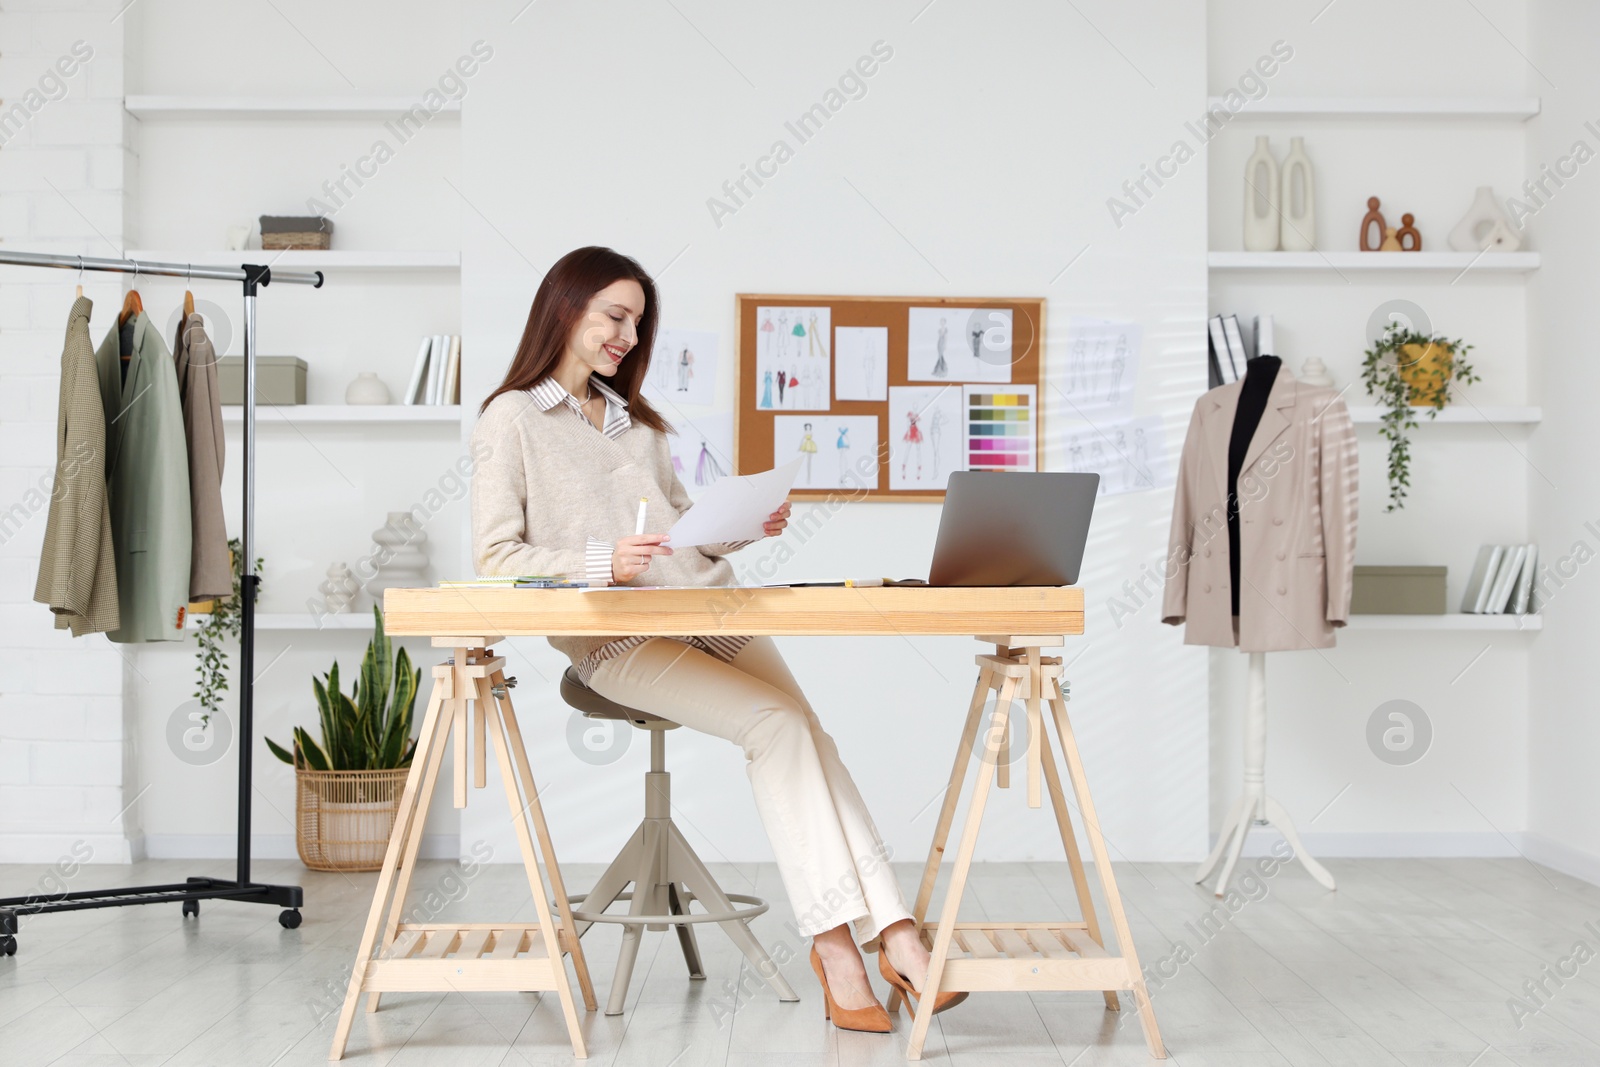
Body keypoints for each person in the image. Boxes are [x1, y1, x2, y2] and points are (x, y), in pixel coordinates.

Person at [470, 246, 964, 1033]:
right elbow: (495, 560)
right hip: (619, 643)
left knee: (810, 736)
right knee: (778, 726)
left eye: (638, 322)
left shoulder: (639, 428)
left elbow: (679, 537)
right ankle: (847, 947)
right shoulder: (511, 419)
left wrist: (735, 531)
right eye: (616, 316)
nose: (629, 335)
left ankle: (895, 934)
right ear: (565, 308)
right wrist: (601, 562)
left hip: (710, 613)